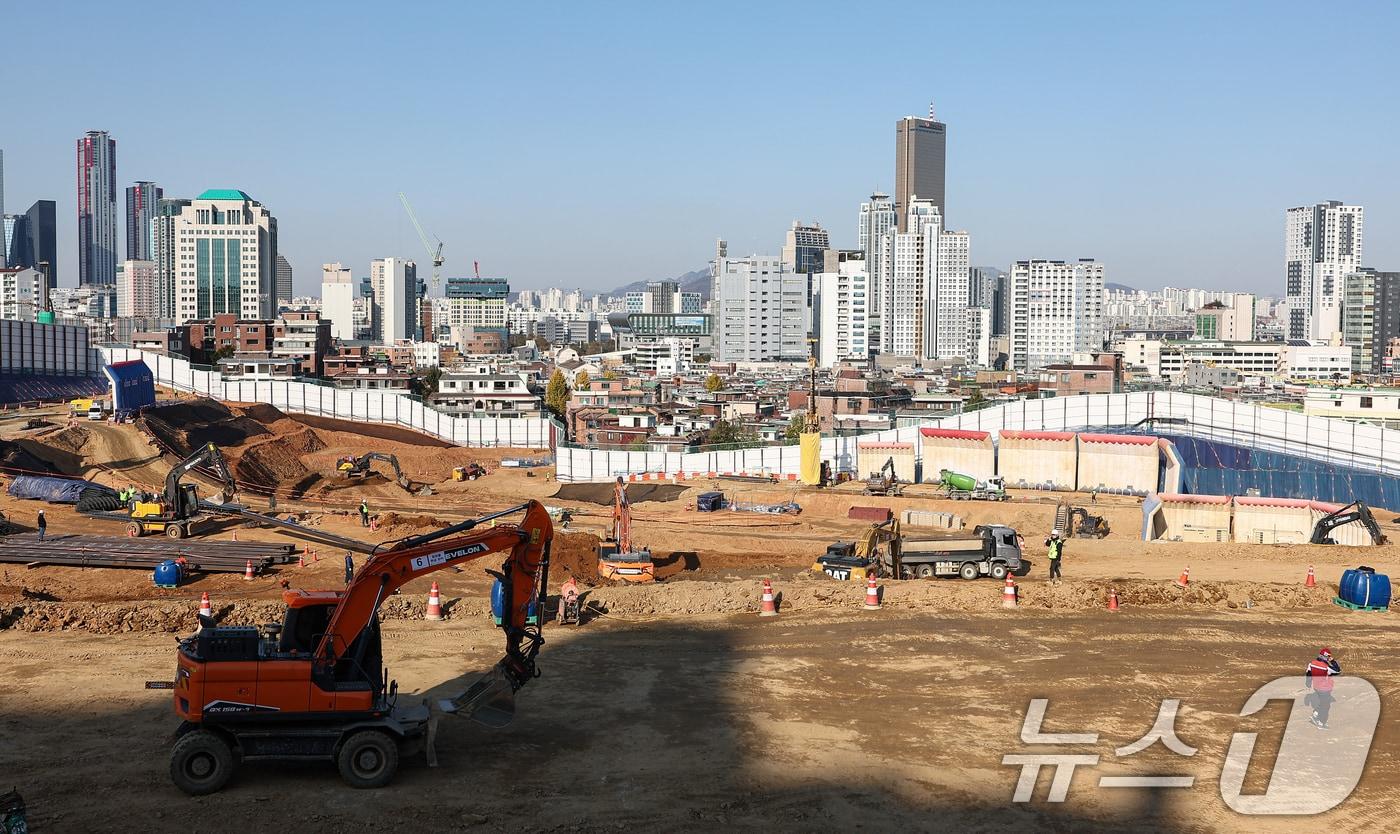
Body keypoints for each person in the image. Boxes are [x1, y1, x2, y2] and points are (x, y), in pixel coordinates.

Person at [1305, 647, 1342, 729]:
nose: (1329, 658)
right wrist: (1332, 661)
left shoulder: (1312, 663)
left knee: (1323, 703)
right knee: (1326, 706)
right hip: (1324, 689)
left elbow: (1308, 674)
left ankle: (1315, 714)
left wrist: (1308, 684)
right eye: (1328, 656)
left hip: (1316, 687)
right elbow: (1338, 671)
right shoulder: (1326, 667)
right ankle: (1320, 723)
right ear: (1326, 657)